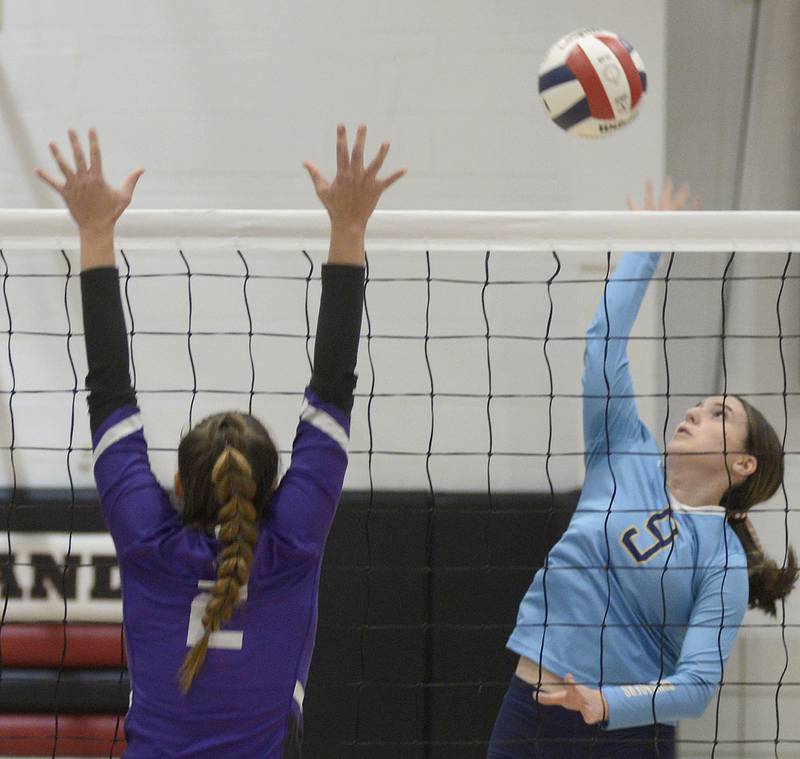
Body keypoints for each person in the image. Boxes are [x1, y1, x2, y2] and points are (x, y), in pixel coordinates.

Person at [36, 124, 405, 758]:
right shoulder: (289, 545)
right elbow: (334, 387)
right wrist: (349, 228)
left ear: (179, 488)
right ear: (271, 491)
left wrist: (95, 232)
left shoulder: (150, 544)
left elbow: (107, 392)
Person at [487, 180, 798, 758]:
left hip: (622, 737)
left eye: (716, 413)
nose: (693, 412)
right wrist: (647, 243)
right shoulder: (624, 453)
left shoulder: (721, 559)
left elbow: (696, 686)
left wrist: (606, 704)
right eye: (699, 405)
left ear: (742, 462)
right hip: (526, 713)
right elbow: (603, 343)